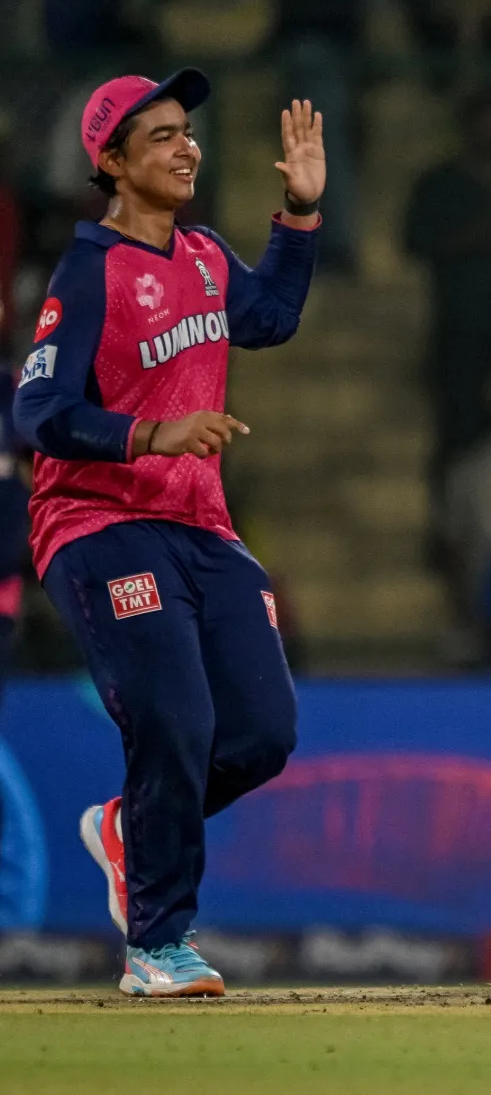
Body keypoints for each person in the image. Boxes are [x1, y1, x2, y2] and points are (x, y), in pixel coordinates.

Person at [14, 71, 322, 996]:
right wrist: (150, 433)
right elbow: (37, 411)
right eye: (160, 136)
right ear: (110, 162)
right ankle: (158, 942)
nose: (187, 148)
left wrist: (301, 215)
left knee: (262, 732)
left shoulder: (205, 254)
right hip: (98, 521)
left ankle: (126, 827)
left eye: (187, 131)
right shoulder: (89, 271)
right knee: (175, 720)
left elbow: (270, 318)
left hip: (199, 523)